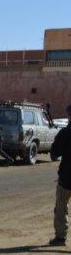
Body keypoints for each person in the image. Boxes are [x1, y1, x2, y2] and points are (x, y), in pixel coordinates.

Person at [49, 105, 71, 246]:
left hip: (67, 177)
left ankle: (61, 237)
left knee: (61, 208)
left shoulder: (65, 133)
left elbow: (54, 153)